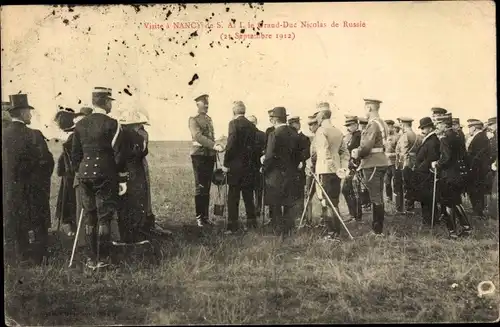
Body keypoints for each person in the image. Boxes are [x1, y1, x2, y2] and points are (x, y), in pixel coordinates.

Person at [71, 87, 129, 269]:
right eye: (110, 101)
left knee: (90, 216)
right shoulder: (113, 124)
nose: (111, 104)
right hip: (105, 175)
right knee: (104, 217)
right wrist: (121, 178)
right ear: (105, 102)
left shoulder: (80, 125)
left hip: (84, 175)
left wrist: (80, 172)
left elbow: (75, 155)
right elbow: (119, 155)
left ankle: (90, 259)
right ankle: (102, 259)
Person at [3, 94, 48, 265]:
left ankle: (19, 255)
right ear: (22, 114)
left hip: (9, 188)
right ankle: (37, 258)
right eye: (29, 112)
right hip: (32, 187)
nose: (30, 115)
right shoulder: (34, 135)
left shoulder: (4, 135)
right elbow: (46, 161)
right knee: (37, 221)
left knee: (15, 221)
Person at [351, 98, 390, 236]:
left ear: (369, 108)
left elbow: (366, 147)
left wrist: (357, 152)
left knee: (375, 197)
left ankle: (377, 231)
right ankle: (378, 228)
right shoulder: (382, 123)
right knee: (378, 196)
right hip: (381, 162)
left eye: (365, 108)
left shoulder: (372, 125)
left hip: (372, 163)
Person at [431, 113, 472, 239]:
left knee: (448, 203)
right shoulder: (458, 136)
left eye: (438, 124)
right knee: (457, 201)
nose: (437, 126)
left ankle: (452, 232)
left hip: (448, 175)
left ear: (444, 125)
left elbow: (446, 158)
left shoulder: (444, 139)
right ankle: (466, 228)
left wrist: (437, 163)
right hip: (459, 174)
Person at [262, 107, 301, 236]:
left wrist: (264, 167)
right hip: (291, 173)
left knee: (276, 203)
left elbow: (269, 156)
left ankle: (278, 231)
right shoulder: (294, 133)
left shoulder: (275, 134)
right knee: (289, 202)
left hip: (275, 174)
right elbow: (298, 155)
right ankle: (289, 230)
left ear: (274, 119)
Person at [114, 111, 152, 243]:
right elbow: (143, 152)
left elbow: (118, 158)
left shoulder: (120, 137)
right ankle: (134, 234)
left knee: (125, 204)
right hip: (137, 173)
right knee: (136, 204)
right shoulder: (140, 138)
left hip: (125, 174)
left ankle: (125, 235)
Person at [188, 94, 224, 227]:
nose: (207, 106)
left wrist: (216, 145)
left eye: (208, 103)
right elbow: (197, 136)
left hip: (209, 155)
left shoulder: (208, 119)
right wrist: (214, 145)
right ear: (198, 104)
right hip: (199, 156)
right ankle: (199, 217)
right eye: (204, 103)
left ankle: (205, 217)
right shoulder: (193, 119)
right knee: (200, 187)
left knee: (207, 187)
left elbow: (210, 136)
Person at [221, 101, 258, 233]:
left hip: (235, 168)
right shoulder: (251, 126)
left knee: (233, 197)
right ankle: (252, 224)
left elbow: (230, 145)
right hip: (248, 167)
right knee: (248, 197)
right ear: (244, 111)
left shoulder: (233, 124)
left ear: (233, 112)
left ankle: (233, 227)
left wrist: (225, 164)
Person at [314, 109, 350, 241]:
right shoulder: (338, 131)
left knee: (326, 201)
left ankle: (331, 233)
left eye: (317, 114)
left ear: (322, 116)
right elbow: (345, 152)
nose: (316, 117)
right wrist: (342, 168)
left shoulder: (321, 131)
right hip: (337, 171)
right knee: (333, 200)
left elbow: (324, 153)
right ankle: (336, 231)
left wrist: (335, 168)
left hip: (325, 170)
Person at [55, 108, 85, 237]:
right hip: (71, 173)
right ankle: (71, 226)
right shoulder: (74, 135)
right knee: (70, 199)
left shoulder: (72, 136)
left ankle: (70, 226)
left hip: (69, 174)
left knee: (69, 199)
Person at [413, 117, 441, 225]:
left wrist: (420, 168)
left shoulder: (433, 140)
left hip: (427, 173)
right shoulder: (429, 139)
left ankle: (430, 220)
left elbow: (431, 157)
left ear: (430, 128)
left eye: (424, 128)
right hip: (424, 172)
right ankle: (428, 219)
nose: (422, 130)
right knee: (425, 197)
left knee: (428, 198)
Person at [465, 119, 491, 220]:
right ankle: (476, 210)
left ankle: (478, 212)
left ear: (474, 128)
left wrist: (471, 167)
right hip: (478, 168)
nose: (469, 130)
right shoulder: (481, 137)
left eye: (470, 127)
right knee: (476, 189)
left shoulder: (479, 138)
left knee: (477, 189)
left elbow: (476, 156)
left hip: (477, 169)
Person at [288, 116, 311, 223]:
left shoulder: (304, 138)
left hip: (299, 169)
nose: (293, 126)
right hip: (290, 169)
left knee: (300, 193)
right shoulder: (288, 137)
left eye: (295, 124)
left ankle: (300, 217)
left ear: (298, 125)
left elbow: (307, 152)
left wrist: (300, 160)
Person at [395, 117, 421, 213]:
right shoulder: (415, 135)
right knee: (410, 184)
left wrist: (400, 164)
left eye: (401, 124)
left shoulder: (405, 135)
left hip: (406, 163)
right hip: (414, 163)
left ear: (403, 125)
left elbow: (403, 152)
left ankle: (407, 208)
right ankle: (410, 206)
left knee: (405, 185)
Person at [341, 115, 362, 221]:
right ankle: (354, 214)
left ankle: (356, 216)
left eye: (349, 125)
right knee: (347, 190)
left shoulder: (358, 135)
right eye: (347, 125)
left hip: (355, 167)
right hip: (351, 167)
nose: (347, 128)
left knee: (353, 191)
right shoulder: (353, 135)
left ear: (355, 124)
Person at [247, 115, 267, 219]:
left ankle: (255, 211)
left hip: (253, 168)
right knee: (257, 190)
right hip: (257, 167)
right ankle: (257, 210)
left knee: (254, 190)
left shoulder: (246, 135)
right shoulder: (262, 135)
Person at [304, 112, 319, 225]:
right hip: (312, 170)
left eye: (313, 124)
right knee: (308, 194)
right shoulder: (312, 138)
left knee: (321, 196)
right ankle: (308, 220)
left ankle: (324, 220)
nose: (310, 127)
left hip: (318, 169)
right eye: (309, 124)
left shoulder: (320, 136)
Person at [383, 119, 400, 204]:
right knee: (387, 182)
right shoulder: (384, 137)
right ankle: (389, 198)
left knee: (396, 182)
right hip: (386, 163)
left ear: (392, 127)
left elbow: (400, 151)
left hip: (395, 163)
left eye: (388, 126)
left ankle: (398, 199)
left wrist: (391, 155)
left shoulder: (397, 137)